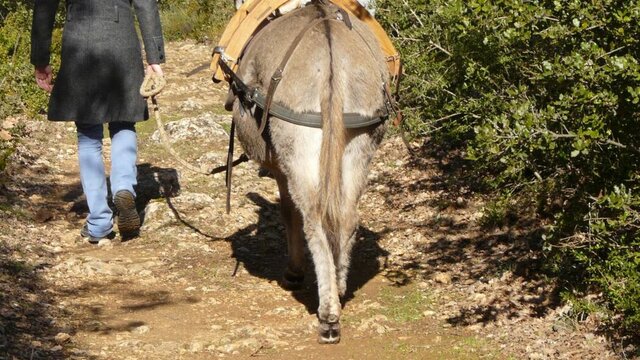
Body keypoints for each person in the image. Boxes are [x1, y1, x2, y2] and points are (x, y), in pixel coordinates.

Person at [31, 0, 166, 243]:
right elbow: (146, 4)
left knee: (88, 134)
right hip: (122, 41)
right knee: (124, 122)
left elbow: (45, 7)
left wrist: (40, 59)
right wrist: (154, 57)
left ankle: (99, 221)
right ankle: (124, 186)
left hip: (79, 46)